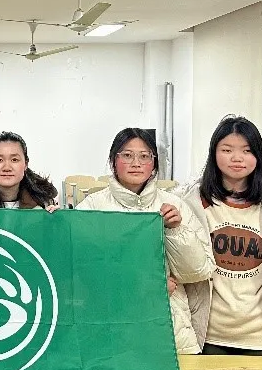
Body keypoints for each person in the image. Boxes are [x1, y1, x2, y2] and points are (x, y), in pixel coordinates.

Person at [179, 115, 262, 360]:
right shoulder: (191, 202)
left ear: (258, 156)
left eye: (247, 150)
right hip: (208, 333)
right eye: (227, 150)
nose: (237, 158)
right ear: (214, 153)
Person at [76, 128, 213, 354]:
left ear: (154, 163)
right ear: (113, 161)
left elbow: (199, 271)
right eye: (127, 155)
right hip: (109, 326)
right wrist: (149, 288)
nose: (136, 163)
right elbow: (81, 272)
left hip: (168, 327)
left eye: (144, 156)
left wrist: (176, 231)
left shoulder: (175, 206)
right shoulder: (92, 208)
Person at [0, 132, 59, 210]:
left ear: (26, 164)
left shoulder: (45, 204)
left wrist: (58, 218)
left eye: (14, 160)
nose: (7, 167)